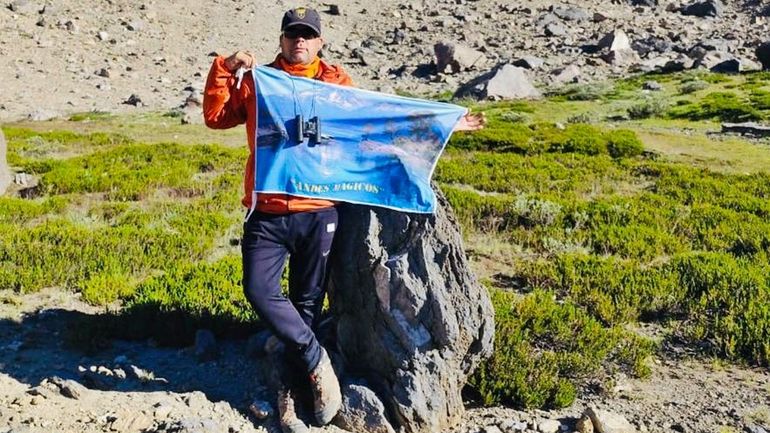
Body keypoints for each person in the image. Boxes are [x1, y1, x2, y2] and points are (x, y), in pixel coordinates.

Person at [203, 6, 484, 433]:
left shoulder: (337, 85)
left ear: (320, 43)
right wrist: (225, 68)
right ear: (280, 41)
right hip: (268, 211)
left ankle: (301, 388)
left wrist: (442, 124)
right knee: (259, 290)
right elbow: (216, 117)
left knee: (307, 304)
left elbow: (377, 121)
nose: (299, 41)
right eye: (292, 34)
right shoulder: (259, 83)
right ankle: (316, 360)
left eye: (307, 35)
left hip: (319, 213)